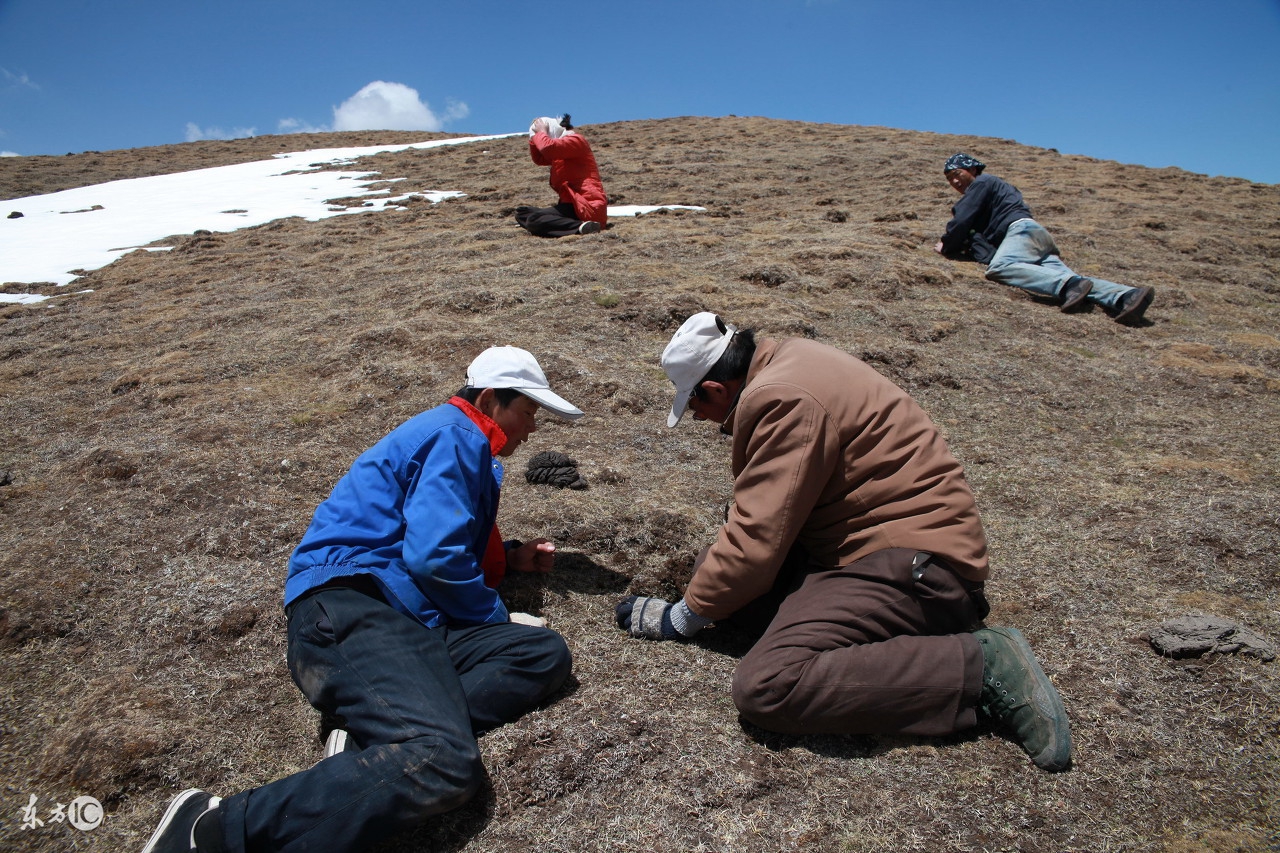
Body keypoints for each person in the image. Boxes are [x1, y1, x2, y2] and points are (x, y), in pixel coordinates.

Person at [143, 346, 584, 853]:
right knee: (440, 759)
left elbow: (441, 540)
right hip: (353, 604)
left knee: (540, 652)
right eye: (528, 412)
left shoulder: (457, 440)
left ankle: (364, 741)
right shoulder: (457, 433)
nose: (532, 429)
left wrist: (509, 558)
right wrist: (495, 616)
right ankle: (213, 830)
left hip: (400, 614)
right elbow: (436, 558)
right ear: (489, 400)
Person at [616, 312, 1073, 772]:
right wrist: (707, 597)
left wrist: (682, 617)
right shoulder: (787, 361)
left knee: (769, 685)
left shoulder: (781, 397)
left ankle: (982, 667)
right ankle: (898, 633)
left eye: (696, 408)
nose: (702, 419)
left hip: (910, 566)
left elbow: (758, 535)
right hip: (875, 550)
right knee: (715, 580)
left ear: (714, 390)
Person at [934, 152, 1154, 325]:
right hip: (1034, 238)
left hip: (1019, 231)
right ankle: (1126, 296)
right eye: (949, 179)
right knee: (1074, 281)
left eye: (957, 173)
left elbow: (962, 219)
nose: (954, 181)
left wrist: (946, 244)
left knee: (1000, 267)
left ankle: (1067, 286)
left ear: (972, 169)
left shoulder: (983, 182)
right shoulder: (995, 190)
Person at [515, 114, 608, 237]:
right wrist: (534, 138)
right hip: (572, 205)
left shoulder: (576, 141)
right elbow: (539, 158)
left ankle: (580, 227)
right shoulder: (560, 153)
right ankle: (554, 223)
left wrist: (541, 132)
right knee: (522, 212)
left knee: (534, 219)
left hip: (587, 205)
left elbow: (548, 148)